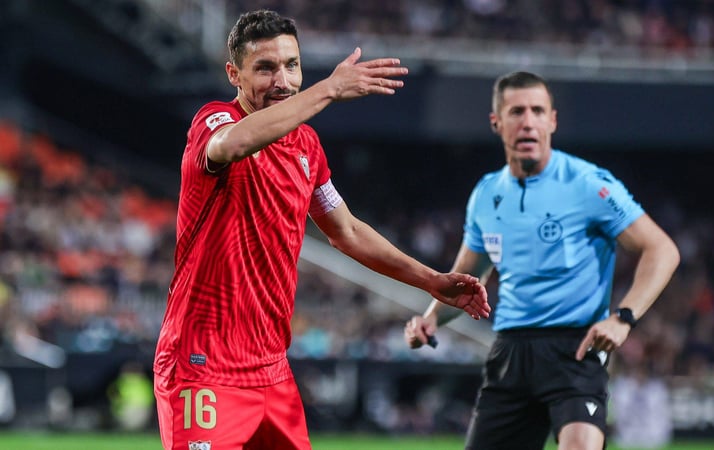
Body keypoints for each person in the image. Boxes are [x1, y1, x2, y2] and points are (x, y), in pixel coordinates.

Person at [152, 9, 491, 450]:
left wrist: (431, 280)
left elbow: (346, 230)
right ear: (234, 74)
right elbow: (233, 144)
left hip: (272, 370)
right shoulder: (214, 121)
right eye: (265, 68)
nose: (282, 80)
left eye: (291, 65)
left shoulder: (306, 147)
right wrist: (329, 88)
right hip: (204, 365)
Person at [404, 71, 680, 450]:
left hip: (575, 349)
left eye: (538, 111)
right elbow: (466, 276)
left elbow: (662, 249)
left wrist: (624, 317)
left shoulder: (589, 184)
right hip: (511, 353)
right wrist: (431, 318)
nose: (528, 121)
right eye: (517, 111)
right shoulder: (486, 193)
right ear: (496, 122)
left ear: (552, 121)